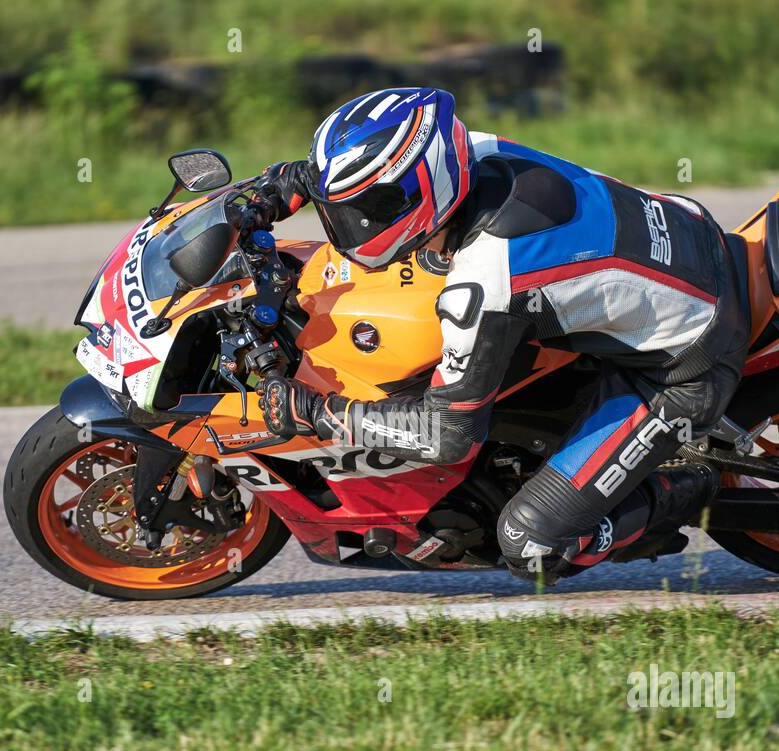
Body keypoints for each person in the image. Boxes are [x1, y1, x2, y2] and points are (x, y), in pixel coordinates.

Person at [253, 87, 748, 583]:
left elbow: (447, 434)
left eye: (369, 209)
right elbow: (362, 172)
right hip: (688, 235)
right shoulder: (476, 151)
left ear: (426, 187)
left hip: (683, 367)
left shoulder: (488, 278)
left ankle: (691, 486)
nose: (352, 227)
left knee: (531, 546)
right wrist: (284, 185)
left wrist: (318, 413)